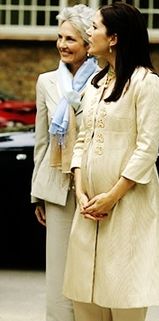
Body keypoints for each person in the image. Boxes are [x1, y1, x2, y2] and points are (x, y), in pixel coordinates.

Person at [63, 2, 159, 321]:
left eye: (95, 27)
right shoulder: (95, 84)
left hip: (128, 208)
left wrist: (112, 197)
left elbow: (146, 149)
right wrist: (82, 193)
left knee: (125, 296)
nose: (88, 32)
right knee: (84, 301)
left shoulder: (146, 83)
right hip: (88, 210)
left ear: (113, 38)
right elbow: (82, 141)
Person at [30, 4, 98, 321]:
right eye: (59, 37)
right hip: (56, 187)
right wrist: (37, 195)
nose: (62, 45)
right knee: (57, 273)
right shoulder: (46, 82)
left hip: (93, 187)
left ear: (88, 43)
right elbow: (41, 141)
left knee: (88, 268)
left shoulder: (104, 81)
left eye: (70, 39)